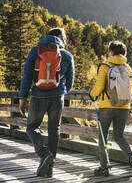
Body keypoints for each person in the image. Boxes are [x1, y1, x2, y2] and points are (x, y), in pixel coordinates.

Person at [19, 27, 74, 178]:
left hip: (38, 95)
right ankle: (49, 168)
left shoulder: (35, 51)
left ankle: (44, 154)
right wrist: (61, 90)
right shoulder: (67, 55)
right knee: (54, 130)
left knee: (31, 127)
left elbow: (27, 75)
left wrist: (22, 98)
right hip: (57, 98)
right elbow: (70, 82)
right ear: (61, 37)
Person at [89, 40, 132, 176]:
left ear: (111, 52)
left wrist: (91, 95)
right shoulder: (128, 68)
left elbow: (99, 88)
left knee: (103, 138)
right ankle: (131, 157)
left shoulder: (105, 66)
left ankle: (104, 167)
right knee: (119, 136)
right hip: (124, 107)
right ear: (124, 53)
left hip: (107, 107)